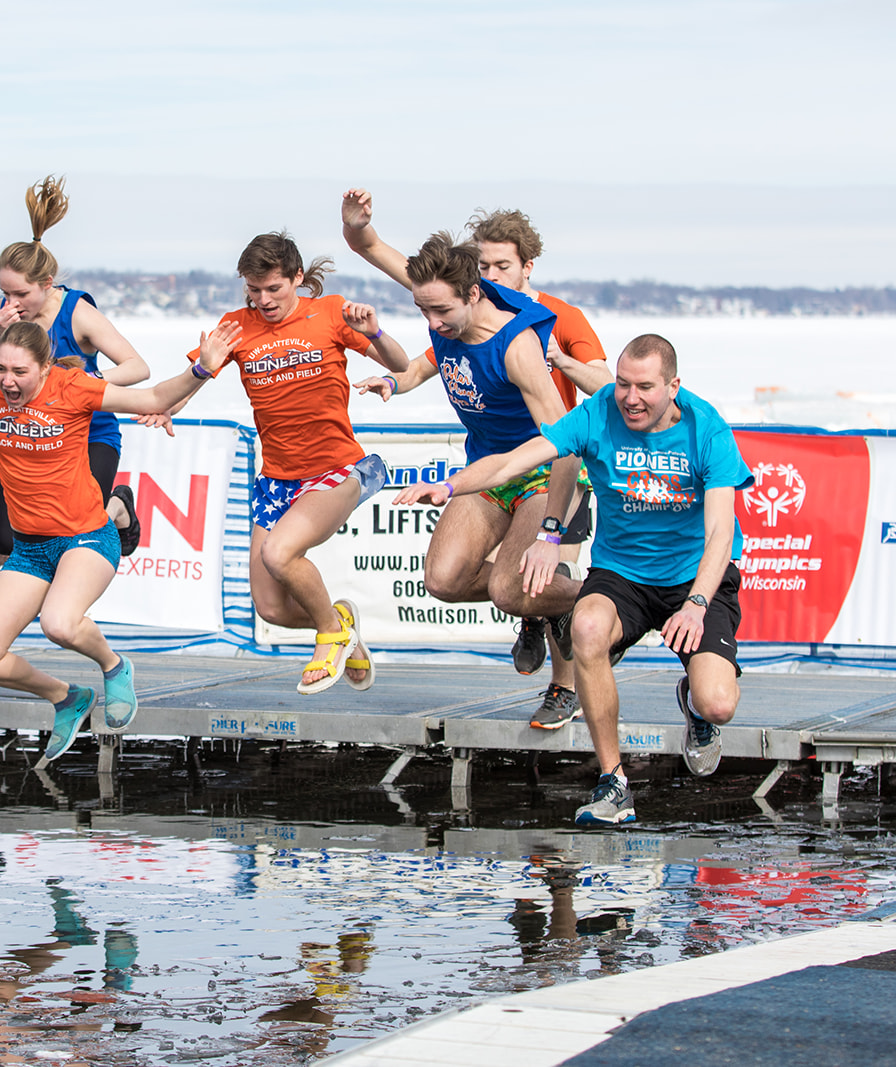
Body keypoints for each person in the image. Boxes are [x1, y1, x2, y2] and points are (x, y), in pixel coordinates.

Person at [393, 334, 752, 826]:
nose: (630, 397)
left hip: (694, 579)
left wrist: (694, 604)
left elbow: (719, 534)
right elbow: (516, 460)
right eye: (623, 383)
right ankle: (614, 783)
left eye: (645, 387)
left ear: (673, 386)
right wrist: (450, 485)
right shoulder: (598, 412)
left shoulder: (705, 427)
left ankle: (694, 704)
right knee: (585, 629)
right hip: (621, 574)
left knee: (719, 705)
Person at [0, 314, 238, 761]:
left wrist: (201, 368)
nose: (7, 381)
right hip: (31, 549)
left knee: (60, 624)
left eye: (19, 372)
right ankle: (66, 697)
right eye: (2, 369)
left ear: (45, 368)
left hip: (85, 536)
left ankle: (114, 666)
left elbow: (154, 396)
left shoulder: (73, 387)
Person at [343, 191, 611, 728]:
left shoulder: (517, 344)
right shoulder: (444, 296)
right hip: (486, 469)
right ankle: (550, 604)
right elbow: (371, 247)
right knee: (443, 579)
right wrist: (355, 227)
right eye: (423, 310)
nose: (433, 322)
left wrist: (552, 533)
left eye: (442, 311)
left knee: (511, 587)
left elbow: (566, 442)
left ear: (473, 294)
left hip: (541, 473)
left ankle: (612, 601)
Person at [159, 233, 411, 694]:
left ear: (297, 278)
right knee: (271, 608)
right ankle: (340, 622)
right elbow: (192, 380)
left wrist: (374, 331)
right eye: (254, 290)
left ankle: (330, 638)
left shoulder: (331, 312)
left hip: (335, 470)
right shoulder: (236, 325)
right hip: (277, 479)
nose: (264, 300)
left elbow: (402, 364)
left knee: (280, 554)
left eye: (273, 288)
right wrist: (165, 406)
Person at [0, 176, 150, 561]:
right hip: (33, 437)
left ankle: (118, 507)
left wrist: (86, 383)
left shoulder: (77, 313)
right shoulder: (4, 316)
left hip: (89, 434)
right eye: (5, 293)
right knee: (2, 538)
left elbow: (137, 367)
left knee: (86, 524)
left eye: (21, 294)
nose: (12, 301)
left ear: (47, 284)